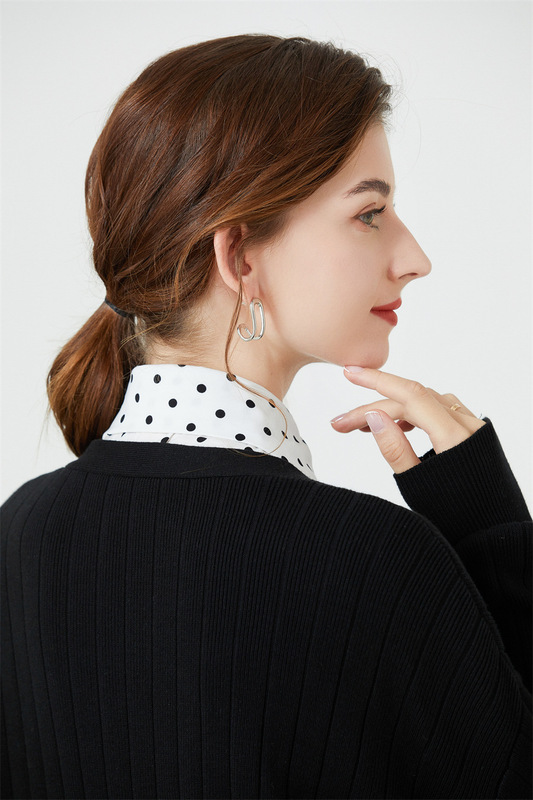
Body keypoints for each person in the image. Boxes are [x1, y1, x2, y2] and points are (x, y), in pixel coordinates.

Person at [1, 33, 531, 800]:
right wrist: (491, 530)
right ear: (240, 257)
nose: (414, 257)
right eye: (369, 213)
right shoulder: (368, 560)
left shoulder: (20, 534)